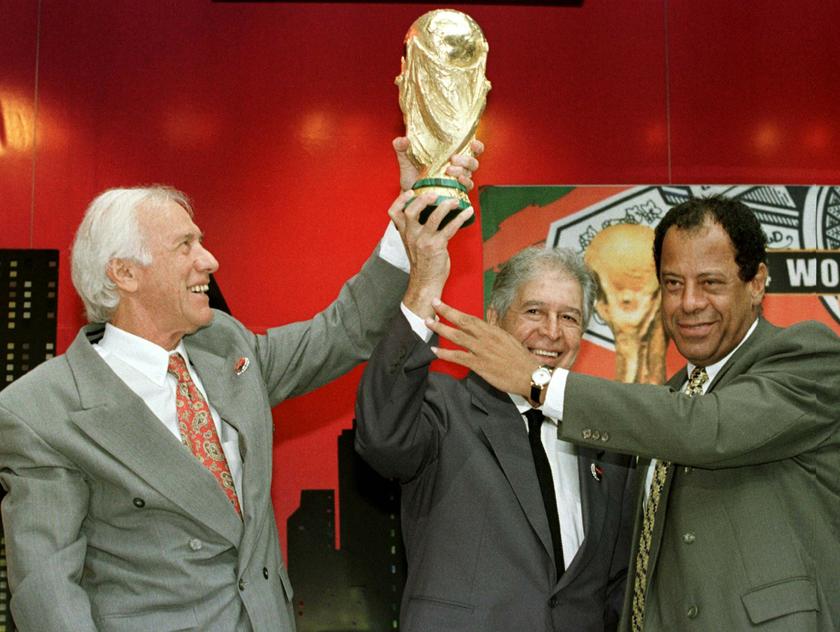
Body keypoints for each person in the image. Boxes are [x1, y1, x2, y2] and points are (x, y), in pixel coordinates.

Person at [0, 139, 480, 632]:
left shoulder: (224, 347)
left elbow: (345, 331)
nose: (209, 260)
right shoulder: (41, 410)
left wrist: (408, 231)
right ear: (124, 273)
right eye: (184, 246)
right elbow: (48, 592)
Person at [425, 195, 840, 631]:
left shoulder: (807, 356)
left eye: (711, 283)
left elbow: (706, 428)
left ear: (756, 283)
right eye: (673, 284)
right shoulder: (671, 398)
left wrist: (540, 382)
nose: (689, 303)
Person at [355, 234, 636, 631]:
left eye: (569, 317)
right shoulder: (442, 409)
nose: (552, 332)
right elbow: (382, 437)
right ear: (493, 319)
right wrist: (422, 290)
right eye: (534, 311)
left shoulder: (604, 439)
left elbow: (616, 585)